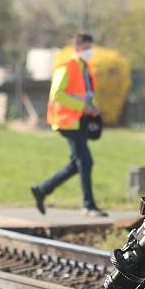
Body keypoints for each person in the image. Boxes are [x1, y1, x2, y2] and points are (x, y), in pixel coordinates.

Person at [31, 33, 107, 217]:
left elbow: (86, 94)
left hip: (80, 121)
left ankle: (42, 190)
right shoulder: (66, 67)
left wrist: (93, 108)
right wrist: (83, 107)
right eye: (86, 48)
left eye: (90, 48)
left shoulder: (85, 68)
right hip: (67, 121)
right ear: (77, 48)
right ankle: (88, 205)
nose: (89, 51)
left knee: (77, 164)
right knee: (85, 162)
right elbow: (57, 94)